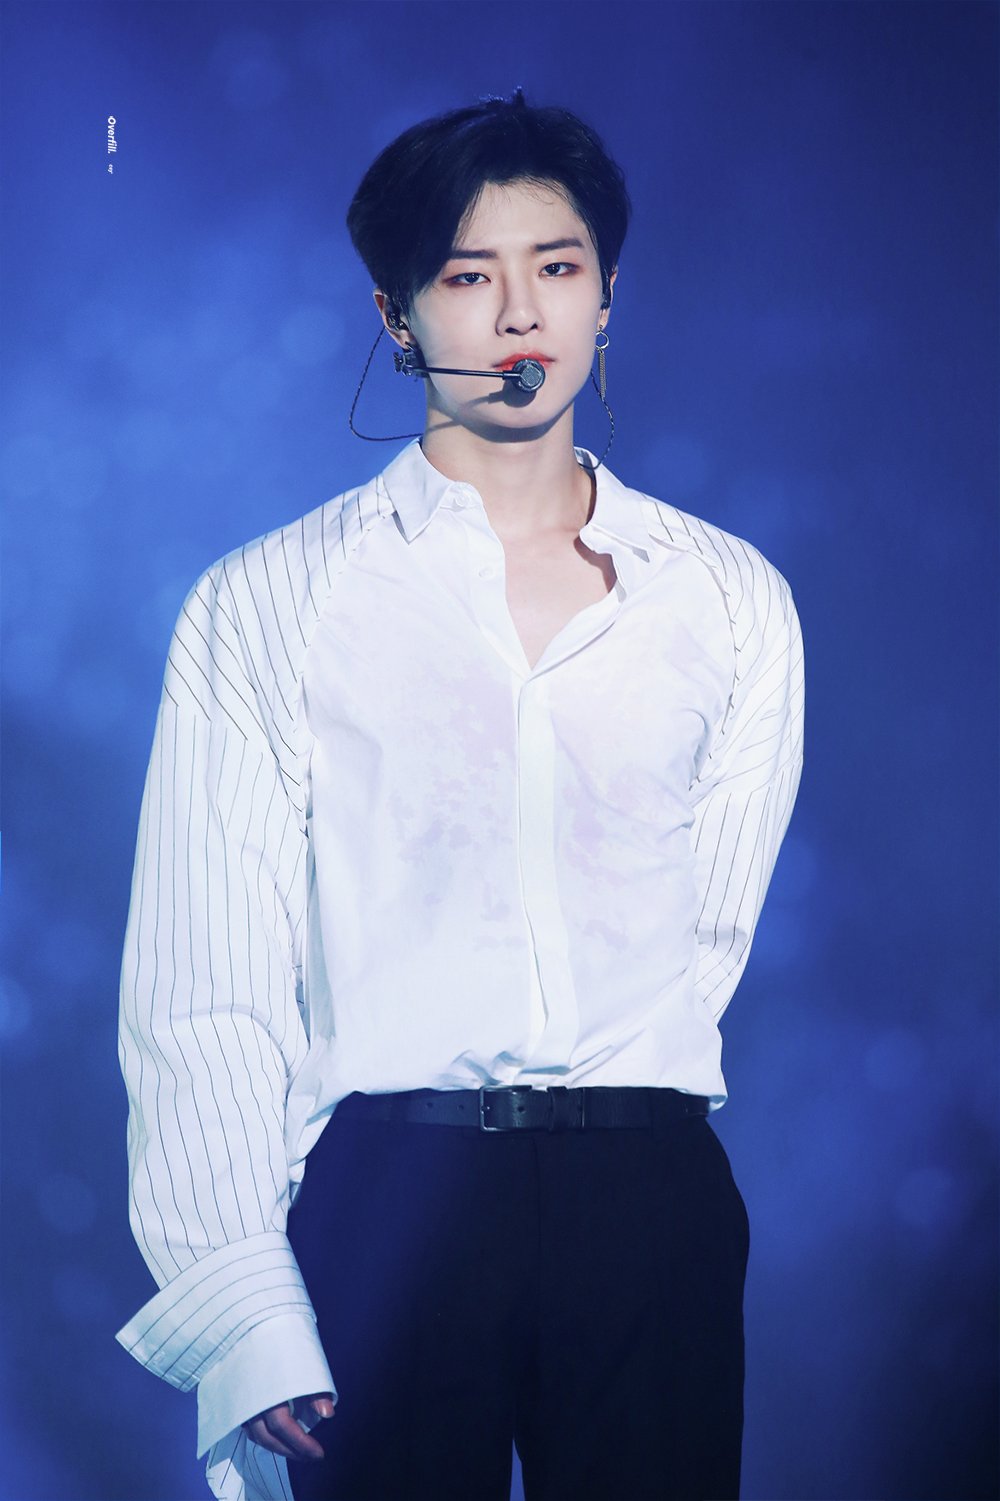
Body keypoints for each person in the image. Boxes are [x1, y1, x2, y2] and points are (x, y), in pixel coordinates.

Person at [115, 88, 804, 1501]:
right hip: (393, 1193)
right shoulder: (270, 602)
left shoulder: (728, 599)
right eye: (466, 275)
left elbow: (707, 931)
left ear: (608, 295)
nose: (519, 314)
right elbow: (206, 988)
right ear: (396, 313)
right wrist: (243, 1303)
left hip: (648, 1190)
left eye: (557, 266)